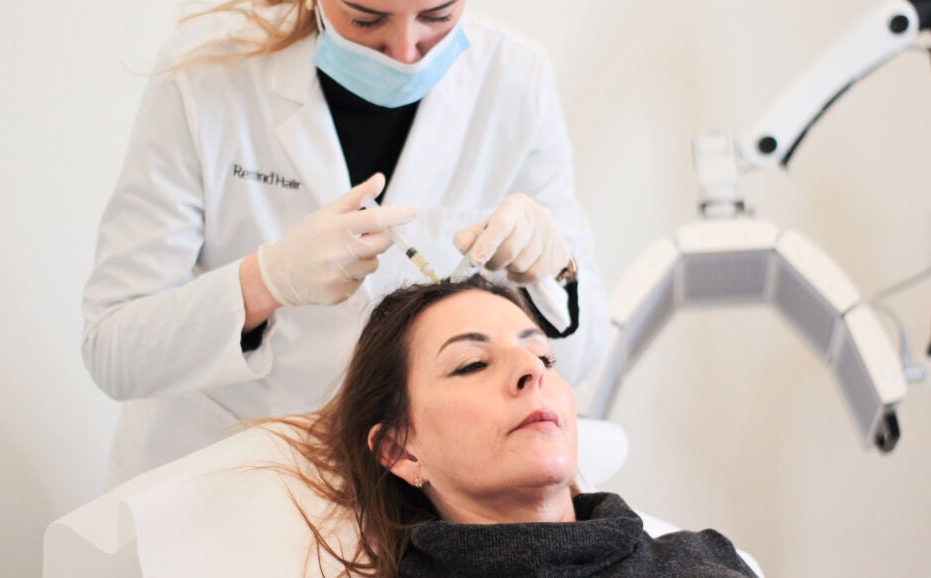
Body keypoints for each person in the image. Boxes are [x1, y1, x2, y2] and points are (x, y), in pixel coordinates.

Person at [82, 0, 609, 486]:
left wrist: (551, 273)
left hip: (412, 495)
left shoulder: (515, 79)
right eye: (366, 18)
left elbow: (579, 359)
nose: (406, 52)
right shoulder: (209, 74)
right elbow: (114, 350)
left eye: (438, 15)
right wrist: (265, 282)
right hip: (222, 476)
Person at [256, 275, 757, 577]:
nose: (532, 370)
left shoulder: (701, 559)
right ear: (400, 450)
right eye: (472, 364)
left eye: (544, 355)